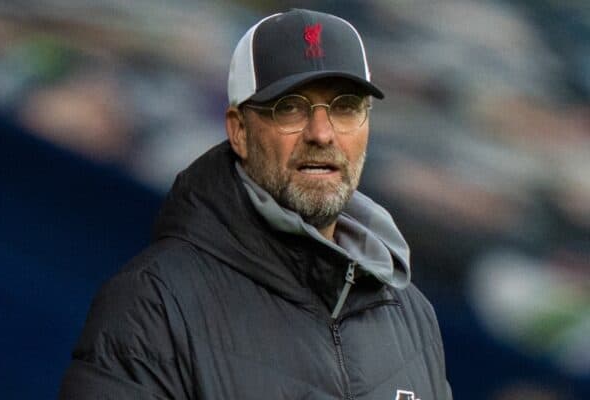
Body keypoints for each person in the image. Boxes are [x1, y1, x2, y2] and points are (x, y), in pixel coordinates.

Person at [59, 9, 452, 400]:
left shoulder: (412, 317)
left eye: (345, 107)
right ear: (239, 131)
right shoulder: (154, 301)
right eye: (290, 108)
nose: (321, 133)